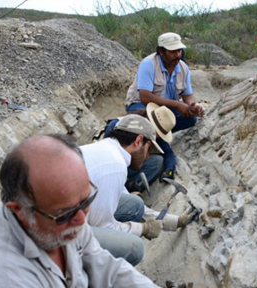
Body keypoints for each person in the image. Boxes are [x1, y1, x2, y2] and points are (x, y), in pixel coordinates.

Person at [0, 134, 158, 287]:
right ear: (18, 210)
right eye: (65, 214)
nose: (81, 219)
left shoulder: (63, 215)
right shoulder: (2, 278)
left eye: (86, 201)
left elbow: (104, 266)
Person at [82, 114, 197, 265]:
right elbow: (104, 227)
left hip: (61, 216)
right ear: (138, 141)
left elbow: (138, 208)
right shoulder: (114, 166)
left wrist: (174, 222)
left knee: (134, 204)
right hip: (54, 236)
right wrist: (143, 228)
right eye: (148, 148)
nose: (148, 156)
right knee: (134, 248)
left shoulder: (106, 149)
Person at [125, 32, 204, 181]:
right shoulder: (148, 64)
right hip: (140, 107)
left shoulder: (183, 68)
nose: (178, 55)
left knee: (191, 119)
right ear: (161, 51)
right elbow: (145, 97)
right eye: (173, 51)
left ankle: (157, 134)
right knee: (151, 122)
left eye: (179, 51)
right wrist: (177, 104)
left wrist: (192, 105)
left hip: (164, 109)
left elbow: (187, 94)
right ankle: (161, 144)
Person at [103, 103, 177, 188]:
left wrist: (169, 171)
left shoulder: (154, 135)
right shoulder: (119, 124)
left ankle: (132, 187)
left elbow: (168, 153)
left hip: (128, 166)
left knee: (158, 161)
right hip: (110, 165)